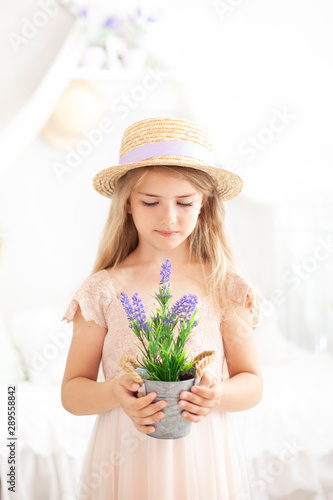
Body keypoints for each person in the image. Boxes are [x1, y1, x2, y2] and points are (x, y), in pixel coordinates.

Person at [61, 116, 263, 500]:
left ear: (204, 204)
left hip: (200, 456)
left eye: (184, 202)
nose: (168, 217)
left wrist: (218, 393)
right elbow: (73, 392)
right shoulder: (101, 290)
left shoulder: (224, 283)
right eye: (151, 201)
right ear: (128, 206)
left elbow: (252, 382)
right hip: (125, 454)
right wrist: (115, 393)